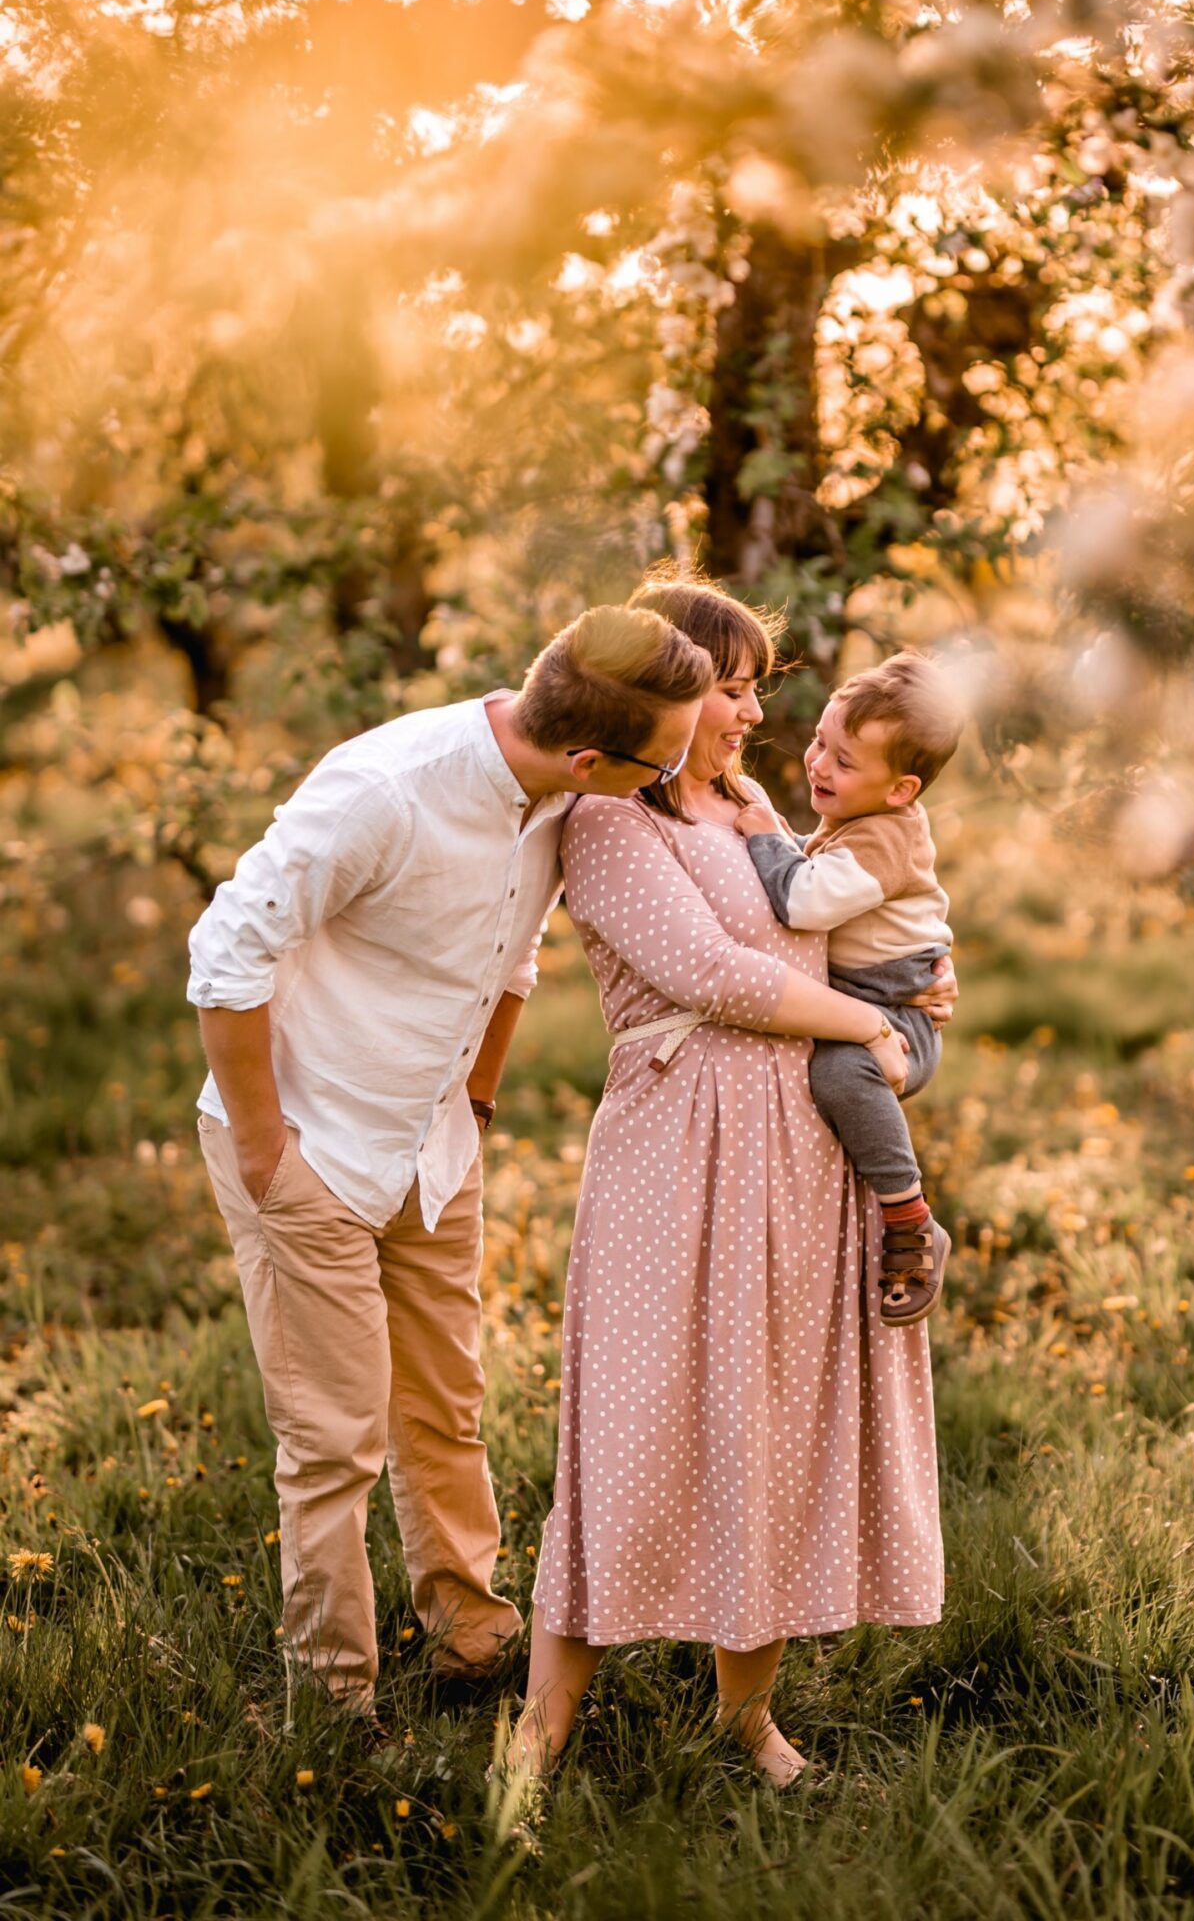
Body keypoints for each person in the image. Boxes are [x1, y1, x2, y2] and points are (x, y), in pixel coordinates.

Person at [186, 604, 713, 1725]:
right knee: (333, 1439)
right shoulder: (386, 790)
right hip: (310, 1140)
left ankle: (471, 1633)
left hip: (431, 1143)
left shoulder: (559, 802)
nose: (668, 778)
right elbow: (224, 953)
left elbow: (510, 956)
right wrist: (267, 1148)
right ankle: (332, 1697)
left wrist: (474, 1098)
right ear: (587, 756)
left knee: (446, 1402)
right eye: (657, 761)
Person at [512, 572, 956, 1789]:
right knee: (633, 1420)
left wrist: (911, 984)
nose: (754, 714)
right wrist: (865, 1032)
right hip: (678, 1144)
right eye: (737, 686)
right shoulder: (608, 820)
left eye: (761, 687)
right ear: (670, 689)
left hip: (796, 1154)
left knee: (763, 1424)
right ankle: (542, 1726)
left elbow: (862, 905)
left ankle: (746, 1716)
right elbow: (707, 972)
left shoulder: (751, 800)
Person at [735, 649, 963, 1326]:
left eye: (842, 761)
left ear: (901, 790)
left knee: (838, 1073)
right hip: (874, 997)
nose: (817, 764)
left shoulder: (882, 843)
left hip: (896, 1018)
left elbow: (803, 903)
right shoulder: (857, 823)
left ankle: (909, 1217)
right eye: (818, 742)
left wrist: (761, 836)